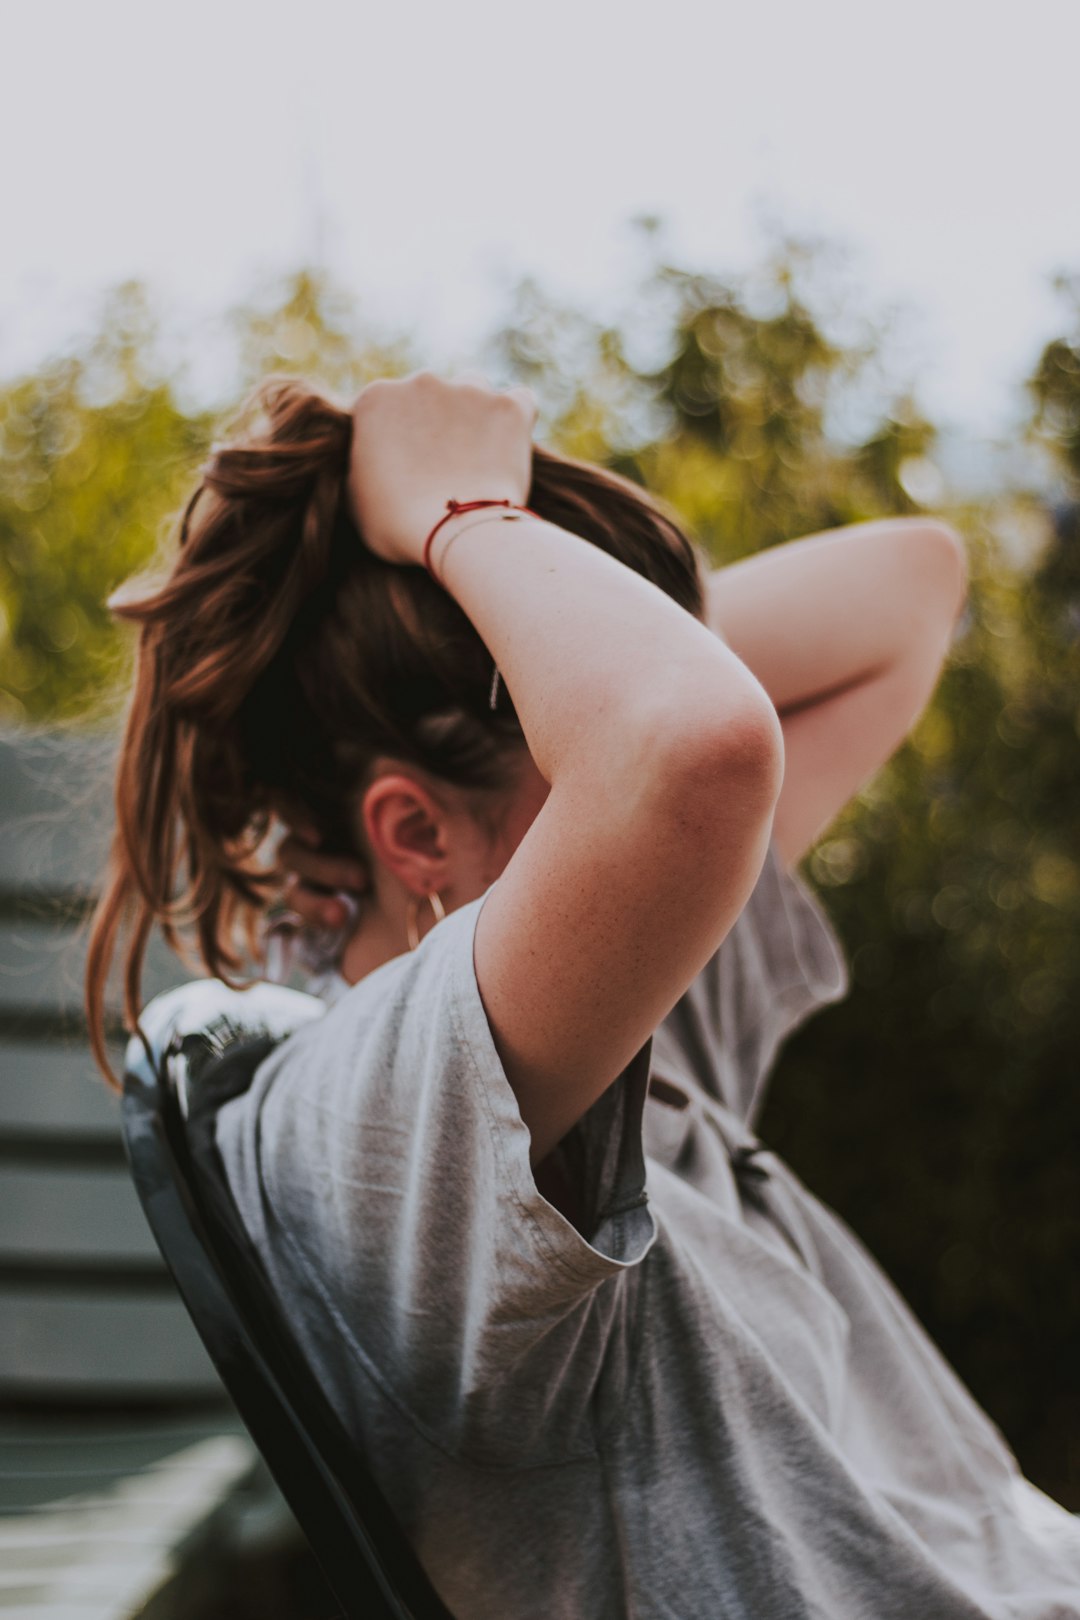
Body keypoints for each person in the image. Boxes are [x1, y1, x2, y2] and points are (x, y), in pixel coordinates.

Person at [85, 371, 1080, 1618]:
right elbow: (689, 750)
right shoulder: (374, 1121)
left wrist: (504, 571)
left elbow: (911, 588)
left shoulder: (630, 1015)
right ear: (415, 834)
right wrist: (458, 516)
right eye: (567, 742)